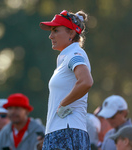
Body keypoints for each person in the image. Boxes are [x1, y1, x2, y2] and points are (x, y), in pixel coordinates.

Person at [39, 9, 93, 149]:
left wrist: (64, 103)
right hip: (59, 131)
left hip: (67, 131)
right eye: (51, 31)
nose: (51, 36)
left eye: (56, 30)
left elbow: (86, 81)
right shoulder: (66, 56)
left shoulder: (74, 53)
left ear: (71, 33)